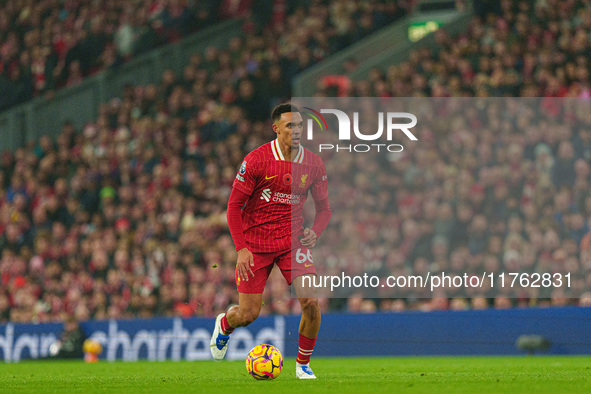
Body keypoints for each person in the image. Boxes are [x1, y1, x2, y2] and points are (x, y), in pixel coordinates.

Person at [210, 103, 331, 379]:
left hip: (293, 242)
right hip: (255, 244)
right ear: (276, 128)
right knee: (249, 314)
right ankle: (226, 324)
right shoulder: (256, 160)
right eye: (290, 126)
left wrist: (316, 231)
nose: (297, 131)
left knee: (311, 303)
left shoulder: (313, 163)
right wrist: (241, 249)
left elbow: (325, 209)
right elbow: (233, 207)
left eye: (300, 125)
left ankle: (302, 365)